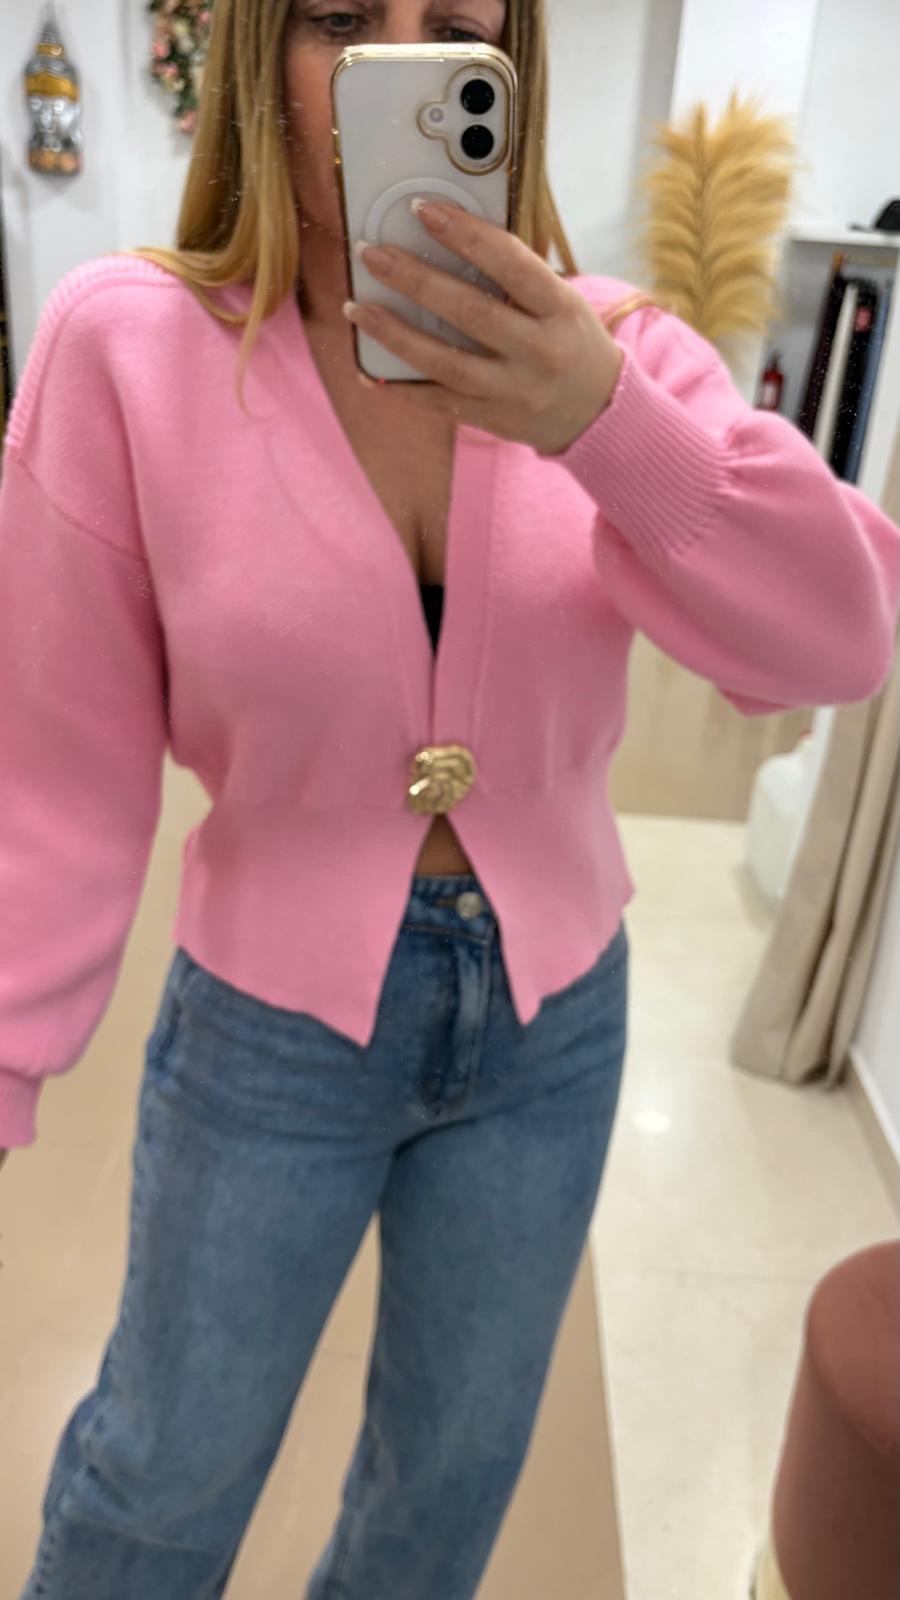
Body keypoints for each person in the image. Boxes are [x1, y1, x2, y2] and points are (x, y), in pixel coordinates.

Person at [1, 1, 898, 1596]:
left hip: (556, 1026)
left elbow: (844, 638)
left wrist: (603, 425)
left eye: (453, 28)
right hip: (267, 1028)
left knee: (447, 1486)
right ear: (261, 59)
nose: (389, 66)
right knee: (161, 1475)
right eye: (340, 20)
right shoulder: (125, 350)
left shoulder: (618, 351)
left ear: (509, 70)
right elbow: (50, 770)